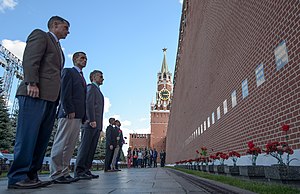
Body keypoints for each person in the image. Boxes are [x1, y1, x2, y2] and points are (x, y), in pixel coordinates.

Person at [7, 16, 70, 189]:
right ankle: (17, 177)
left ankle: (32, 175)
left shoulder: (59, 48)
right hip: (34, 93)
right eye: (65, 27)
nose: (68, 31)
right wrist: (31, 83)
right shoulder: (41, 36)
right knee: (27, 136)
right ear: (55, 25)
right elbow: (30, 59)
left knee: (41, 139)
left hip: (50, 98)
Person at [49, 52, 87, 183]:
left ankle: (64, 172)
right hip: (68, 114)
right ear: (75, 59)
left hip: (78, 116)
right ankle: (55, 173)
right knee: (61, 143)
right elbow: (65, 92)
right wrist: (69, 110)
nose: (84, 60)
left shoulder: (82, 76)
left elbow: (82, 99)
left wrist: (83, 116)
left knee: (70, 145)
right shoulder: (68, 72)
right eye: (82, 58)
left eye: (85, 58)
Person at [75, 70, 104, 179]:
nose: (102, 78)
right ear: (93, 77)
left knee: (91, 148)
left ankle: (86, 170)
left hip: (96, 124)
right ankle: (79, 171)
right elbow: (89, 104)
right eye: (100, 76)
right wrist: (91, 119)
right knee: (85, 147)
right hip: (90, 123)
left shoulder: (97, 90)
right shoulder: (91, 88)